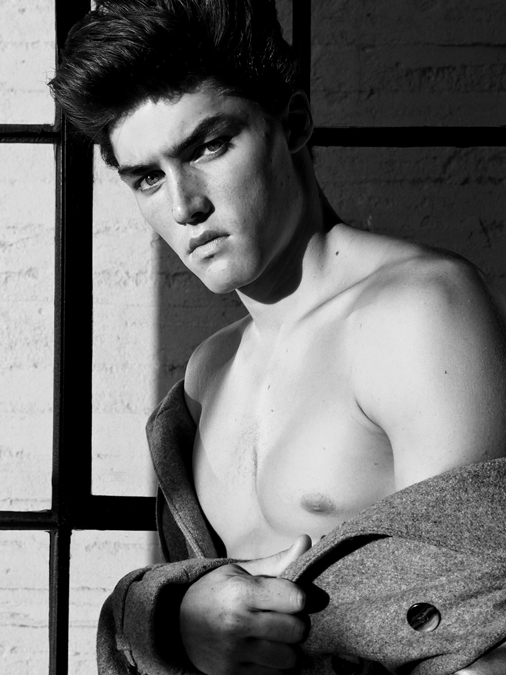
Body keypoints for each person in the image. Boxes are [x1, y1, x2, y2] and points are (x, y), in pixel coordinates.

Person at [49, 1, 506, 673]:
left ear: (291, 125)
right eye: (147, 177)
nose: (184, 205)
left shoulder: (417, 312)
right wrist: (178, 618)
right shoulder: (207, 373)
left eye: (207, 147)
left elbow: (478, 632)